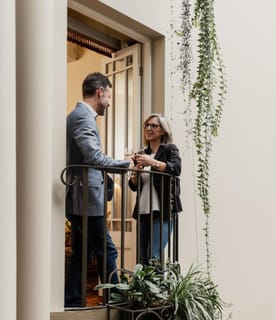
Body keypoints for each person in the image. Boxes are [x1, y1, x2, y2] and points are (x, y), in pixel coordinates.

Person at [65, 72, 132, 307]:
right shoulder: (83, 117)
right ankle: (115, 304)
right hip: (86, 199)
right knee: (108, 252)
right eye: (109, 96)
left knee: (80, 255)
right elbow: (93, 157)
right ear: (100, 92)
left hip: (79, 198)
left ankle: (73, 303)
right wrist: (126, 164)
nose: (109, 102)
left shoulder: (76, 115)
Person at [129, 114, 182, 265]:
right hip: (143, 211)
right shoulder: (141, 154)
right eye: (147, 125)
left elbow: (176, 169)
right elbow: (134, 186)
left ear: (163, 131)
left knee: (154, 256)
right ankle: (144, 289)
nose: (149, 128)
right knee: (143, 257)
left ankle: (158, 288)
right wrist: (134, 176)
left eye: (153, 126)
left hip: (163, 210)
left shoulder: (169, 150)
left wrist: (152, 162)